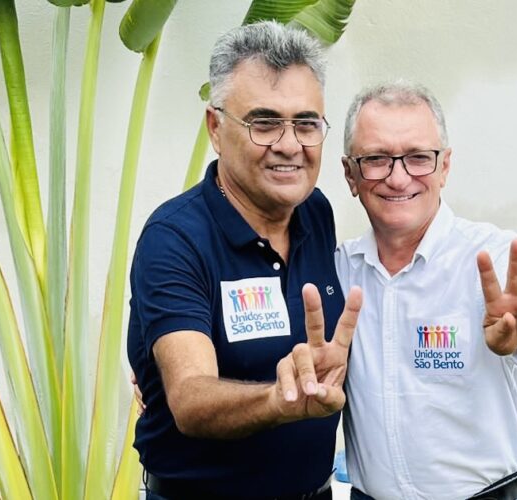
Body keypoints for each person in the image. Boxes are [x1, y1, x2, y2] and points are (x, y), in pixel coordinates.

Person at [126, 21, 362, 500]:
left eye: (306, 123)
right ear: (216, 128)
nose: (289, 145)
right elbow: (190, 397)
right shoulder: (175, 239)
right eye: (264, 123)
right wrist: (278, 399)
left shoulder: (314, 212)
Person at [335, 81, 517, 500]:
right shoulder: (339, 270)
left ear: (444, 167)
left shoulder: (489, 255)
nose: (398, 177)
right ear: (351, 174)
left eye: (418, 157)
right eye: (376, 159)